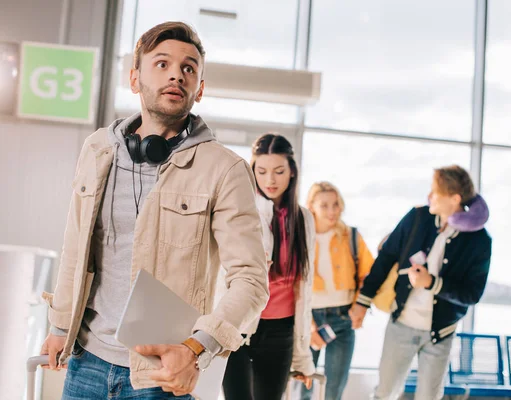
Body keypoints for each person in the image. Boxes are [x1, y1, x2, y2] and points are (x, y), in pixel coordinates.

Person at [39, 21, 269, 399]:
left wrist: (195, 350)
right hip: (86, 362)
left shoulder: (224, 169)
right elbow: (75, 247)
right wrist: (60, 326)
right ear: (134, 78)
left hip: (162, 373)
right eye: (161, 64)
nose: (176, 74)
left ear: (200, 89)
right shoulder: (98, 149)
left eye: (189, 68)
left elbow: (250, 280)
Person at [350, 165, 492, 400]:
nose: (429, 197)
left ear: (454, 198)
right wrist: (362, 303)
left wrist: (432, 283)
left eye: (435, 192)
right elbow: (386, 259)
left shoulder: (480, 241)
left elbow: (472, 294)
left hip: (440, 332)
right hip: (401, 324)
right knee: (384, 393)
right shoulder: (417, 218)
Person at [222, 133, 315, 400]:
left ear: (292, 172)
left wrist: (303, 359)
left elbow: (304, 290)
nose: (270, 180)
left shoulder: (304, 219)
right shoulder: (240, 210)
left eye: (279, 171)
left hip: (280, 329)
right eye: (261, 171)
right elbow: (219, 269)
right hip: (239, 322)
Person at [301, 182, 374, 400]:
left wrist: (361, 307)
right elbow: (293, 283)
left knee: (333, 391)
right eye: (324, 205)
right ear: (311, 206)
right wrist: (308, 324)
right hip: (308, 318)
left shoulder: (352, 236)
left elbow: (369, 276)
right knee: (303, 388)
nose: (332, 211)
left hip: (343, 319)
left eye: (336, 204)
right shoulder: (300, 237)